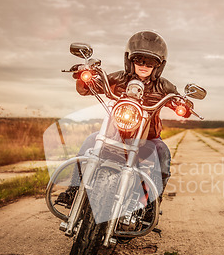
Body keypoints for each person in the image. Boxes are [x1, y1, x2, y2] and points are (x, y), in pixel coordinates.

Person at [56, 30, 181, 208]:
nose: (144, 65)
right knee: (90, 141)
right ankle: (73, 190)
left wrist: (182, 104)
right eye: (139, 60)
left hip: (148, 140)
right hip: (114, 133)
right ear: (130, 60)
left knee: (163, 153)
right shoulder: (118, 78)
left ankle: (152, 203)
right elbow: (86, 89)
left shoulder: (163, 86)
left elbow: (177, 99)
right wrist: (85, 77)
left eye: (151, 62)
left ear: (158, 66)